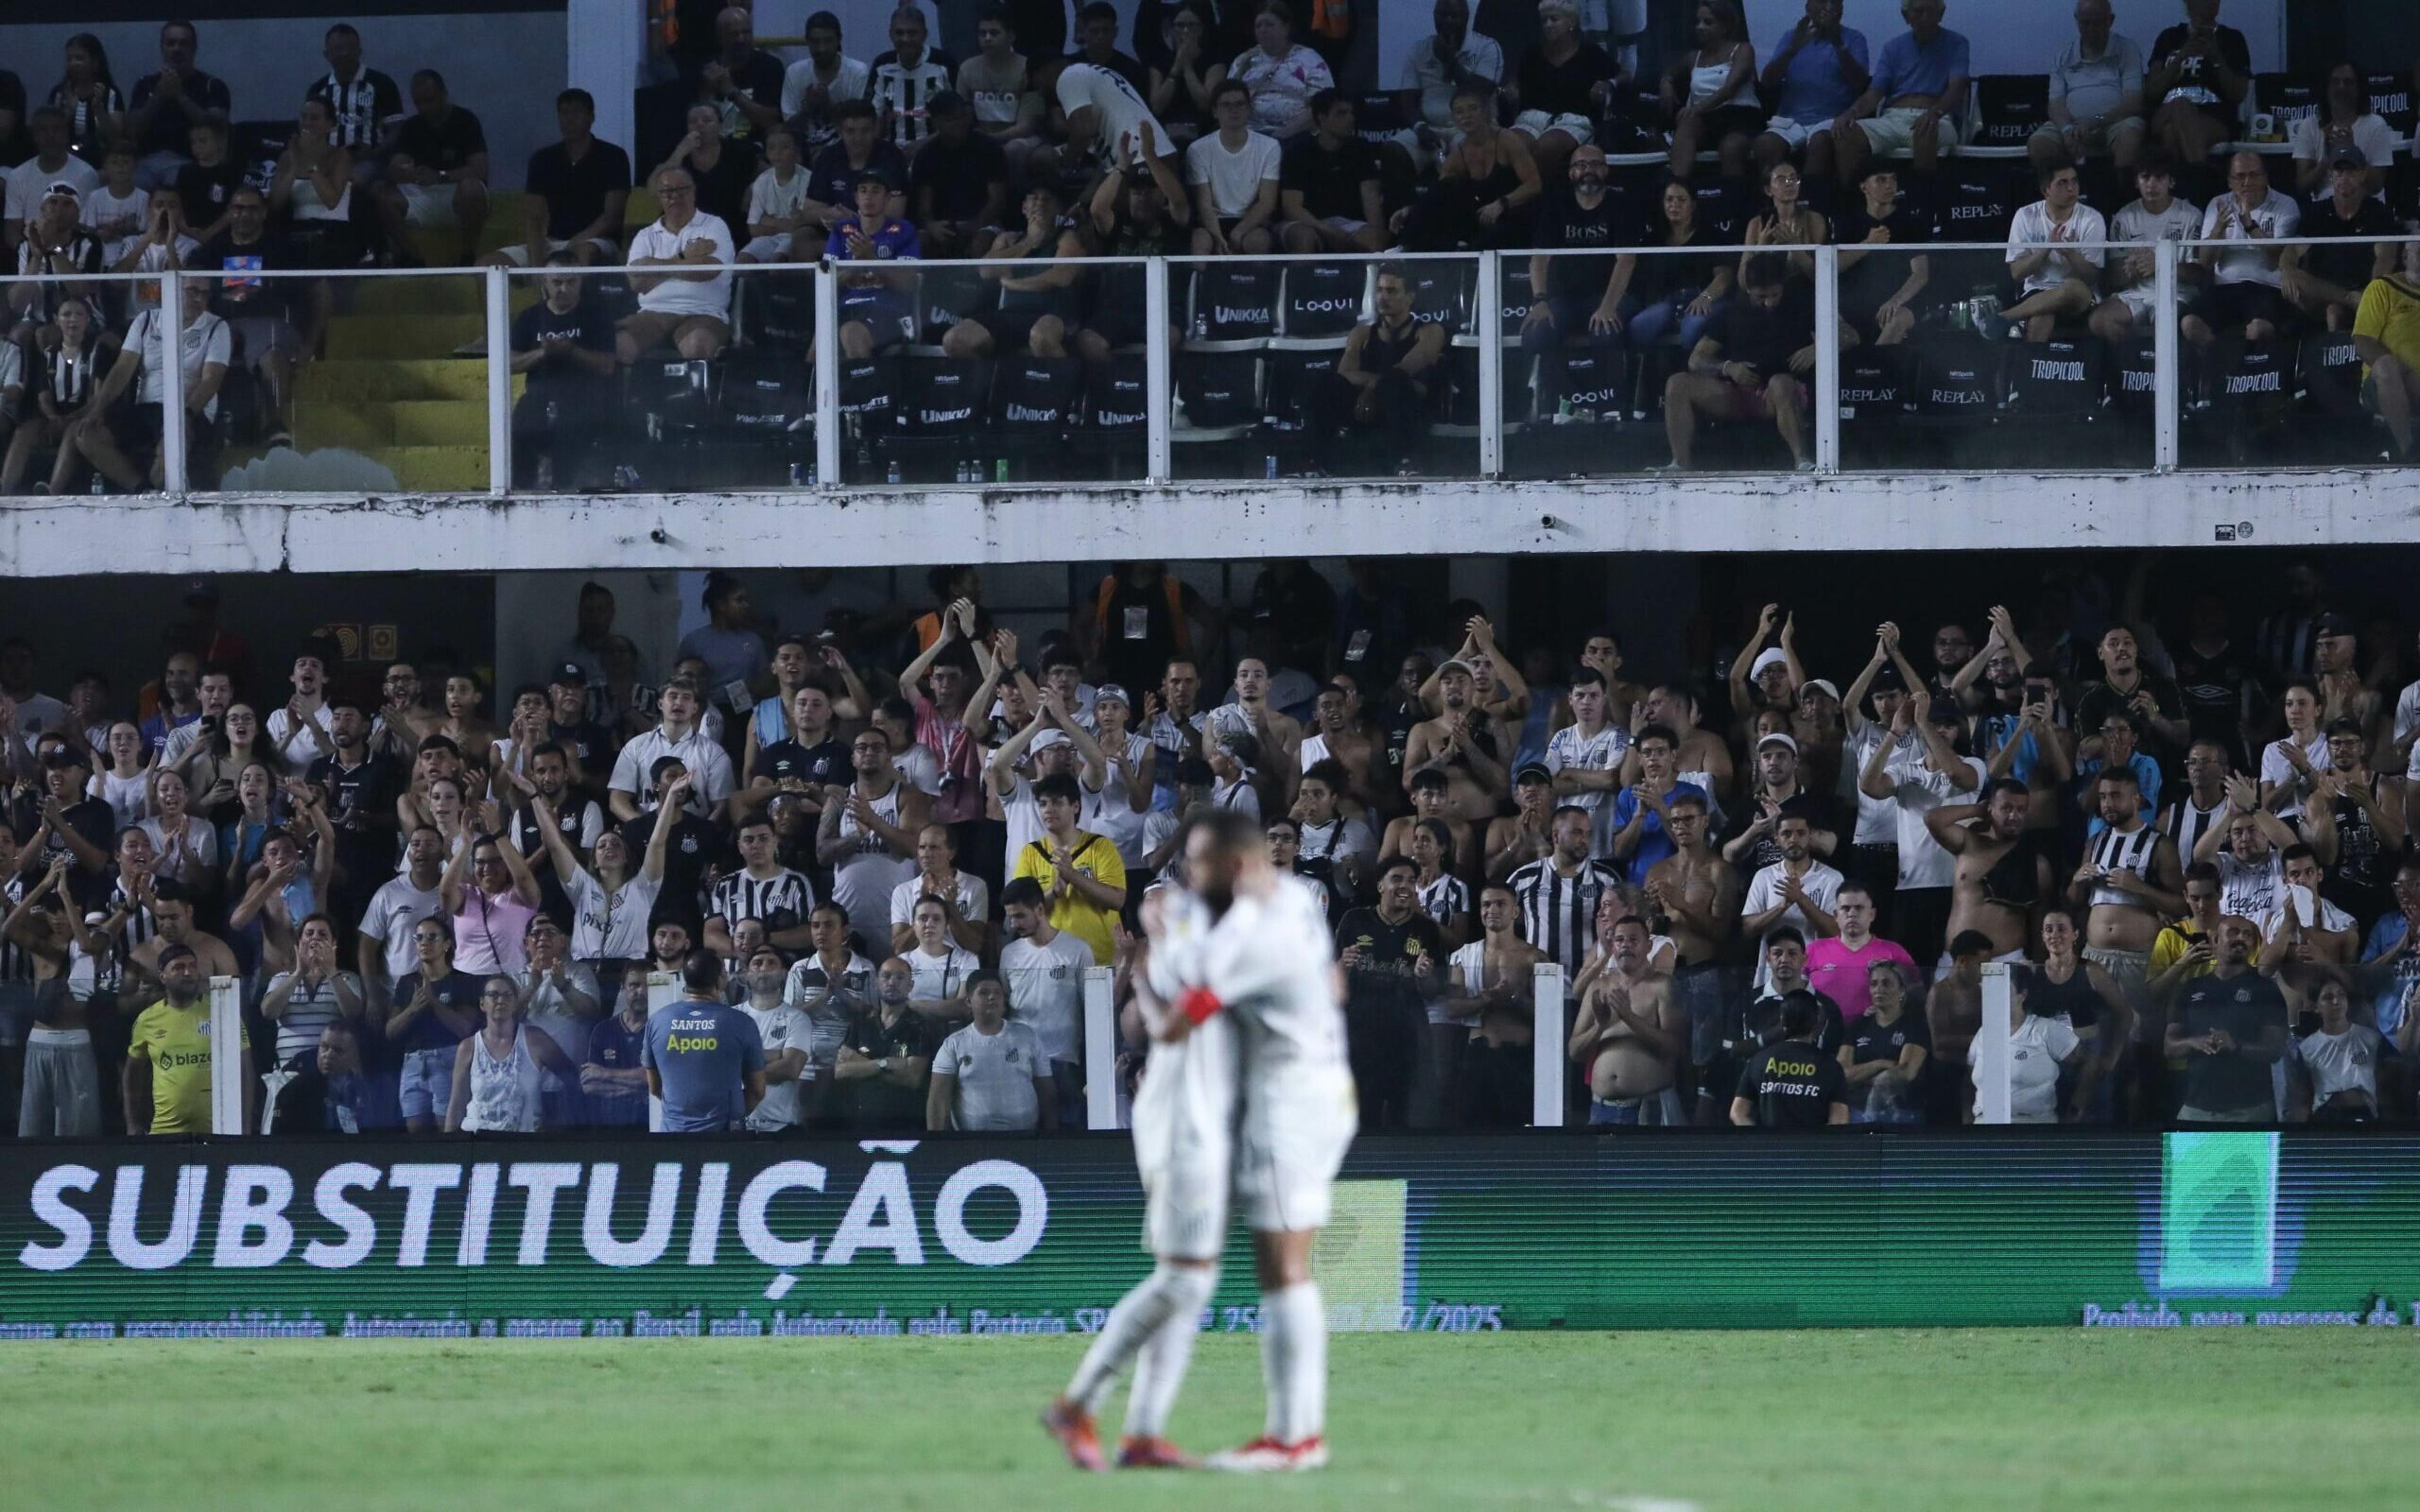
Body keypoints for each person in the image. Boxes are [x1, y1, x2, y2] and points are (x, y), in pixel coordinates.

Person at [1661, 252, 1838, 473]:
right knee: (1677, 384)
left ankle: (1802, 460)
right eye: (1761, 297)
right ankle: (1680, 464)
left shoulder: (1801, 306)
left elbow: (1850, 335)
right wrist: (1728, 368)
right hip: (1736, 393)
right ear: (1748, 291)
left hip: (1781, 395)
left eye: (1774, 295)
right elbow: (1696, 360)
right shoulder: (1731, 313)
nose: (1769, 303)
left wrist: (1817, 348)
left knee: (1780, 383)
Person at [76, 273, 228, 493]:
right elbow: (123, 369)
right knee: (86, 435)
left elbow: (211, 380)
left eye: (204, 294)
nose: (198, 299)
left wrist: (184, 417)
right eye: (192, 291)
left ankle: (162, 496)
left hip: (191, 411)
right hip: (146, 409)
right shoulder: (146, 320)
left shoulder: (216, 327)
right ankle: (143, 490)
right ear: (174, 291)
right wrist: (97, 410)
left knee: (168, 457)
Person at [1321, 264, 1447, 471]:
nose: (1383, 298)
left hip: (1410, 409)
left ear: (1410, 297)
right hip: (1365, 408)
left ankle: (1405, 461)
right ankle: (1319, 463)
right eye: (1379, 290)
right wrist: (1372, 388)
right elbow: (1344, 373)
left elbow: (1406, 369)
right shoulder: (1361, 333)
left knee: (1396, 382)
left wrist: (1371, 388)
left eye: (1391, 291)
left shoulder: (1430, 331)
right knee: (1327, 382)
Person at [1829, 0, 1969, 186]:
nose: (1925, 18)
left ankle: (1923, 205)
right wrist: (1851, 113)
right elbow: (1874, 94)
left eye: (1931, 11)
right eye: (1918, 12)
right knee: (1845, 133)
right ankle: (1853, 202)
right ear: (1906, 16)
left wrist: (1935, 113)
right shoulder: (1892, 48)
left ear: (1941, 14)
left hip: (1936, 118)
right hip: (1893, 118)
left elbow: (1957, 87)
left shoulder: (1957, 43)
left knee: (1925, 130)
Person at [1519, 144, 1635, 367]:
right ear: (1571, 173)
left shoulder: (1622, 205)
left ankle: (1612, 398)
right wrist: (1540, 301)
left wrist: (1608, 306)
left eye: (1595, 164)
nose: (1588, 170)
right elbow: (1539, 258)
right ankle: (1554, 397)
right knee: (1537, 335)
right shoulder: (1555, 206)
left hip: (1611, 297)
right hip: (1564, 298)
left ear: (1606, 170)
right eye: (1581, 165)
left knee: (1607, 334)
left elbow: (1627, 260)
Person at [495, 89, 631, 270]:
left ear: (591, 117)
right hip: (552, 242)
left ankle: (577, 298)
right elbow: (533, 217)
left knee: (583, 253)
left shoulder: (613, 156)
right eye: (564, 112)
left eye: (577, 112)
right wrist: (537, 265)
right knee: (488, 264)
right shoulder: (543, 159)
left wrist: (573, 244)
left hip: (596, 240)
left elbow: (611, 218)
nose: (570, 119)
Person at [2168, 914, 2285, 1122]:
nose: (2241, 938)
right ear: (2215, 940)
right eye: (2233, 932)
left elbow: (2275, 1050)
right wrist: (2195, 1042)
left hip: (2251, 1111)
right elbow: (2169, 1047)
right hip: (2196, 1109)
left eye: (2248, 935)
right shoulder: (2190, 988)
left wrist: (2236, 1046)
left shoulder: (2267, 990)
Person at [1569, 914, 1685, 1123]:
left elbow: (1675, 1048)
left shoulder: (1663, 986)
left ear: (1648, 947)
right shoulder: (1597, 987)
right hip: (1601, 1109)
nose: (1626, 946)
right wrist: (1600, 1027)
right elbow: (1575, 1052)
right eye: (1620, 940)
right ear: (1613, 946)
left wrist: (1629, 1017)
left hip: (1649, 1108)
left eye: (1633, 940)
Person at [123, 942, 250, 1134]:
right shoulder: (147, 1019)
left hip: (218, 1130)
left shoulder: (222, 1011)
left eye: (192, 966)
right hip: (165, 1131)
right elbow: (132, 1075)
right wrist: (132, 1124)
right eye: (179, 968)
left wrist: (244, 1124)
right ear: (162, 976)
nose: (188, 973)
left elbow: (245, 1069)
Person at [617, 166, 734, 365]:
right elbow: (637, 282)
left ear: (694, 192)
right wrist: (684, 257)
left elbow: (707, 270)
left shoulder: (714, 226)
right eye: (667, 191)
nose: (675, 196)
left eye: (682, 190)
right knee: (618, 344)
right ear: (659, 197)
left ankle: (697, 396)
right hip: (652, 314)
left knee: (697, 344)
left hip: (704, 312)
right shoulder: (645, 236)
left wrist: (654, 268)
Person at [2181, 151, 2296, 352]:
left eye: (2254, 175)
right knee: (2190, 324)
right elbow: (2206, 263)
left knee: (2259, 330)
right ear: (2230, 181)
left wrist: (2250, 226)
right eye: (2240, 176)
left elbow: (2277, 256)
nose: (2247, 182)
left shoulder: (2285, 205)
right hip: (2225, 288)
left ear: (2265, 177)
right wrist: (2219, 229)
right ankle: (2221, 361)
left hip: (2267, 289)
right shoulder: (2218, 205)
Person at [1928, 777, 2049, 968]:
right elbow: (1933, 819)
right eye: (2006, 808)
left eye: (2021, 809)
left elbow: (2039, 921)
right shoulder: (1968, 842)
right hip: (1955, 962)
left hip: (2007, 960)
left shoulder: (2035, 862)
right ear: (1990, 808)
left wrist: (2039, 967)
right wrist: (1976, 810)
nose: (2014, 816)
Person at [371, 71, 488, 267]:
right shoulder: (412, 127)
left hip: (456, 193)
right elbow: (396, 166)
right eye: (419, 103)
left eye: (430, 100)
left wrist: (441, 176)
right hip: (422, 193)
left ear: (444, 94)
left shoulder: (465, 121)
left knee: (472, 188)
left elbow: (480, 169)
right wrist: (402, 171)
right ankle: (413, 258)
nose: (425, 108)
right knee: (379, 190)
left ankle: (467, 256)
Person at [644, 949, 766, 1131]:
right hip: (724, 1141)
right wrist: (734, 1116)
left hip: (672, 1138)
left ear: (686, 979)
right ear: (720, 980)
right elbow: (757, 1091)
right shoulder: (742, 1023)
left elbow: (654, 1087)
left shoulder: (658, 1021)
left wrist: (683, 1112)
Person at [2279, 151, 2397, 335]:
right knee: (2296, 278)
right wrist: (2287, 270)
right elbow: (2292, 250)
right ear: (2330, 176)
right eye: (2339, 173)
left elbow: (2386, 257)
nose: (2345, 179)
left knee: (2335, 311)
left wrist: (2371, 294)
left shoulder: (2378, 212)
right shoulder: (2316, 213)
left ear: (2363, 175)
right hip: (2323, 291)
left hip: (2363, 291)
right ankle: (2348, 298)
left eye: (2351, 173)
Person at [2089, 156, 2203, 345]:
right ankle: (2135, 367)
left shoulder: (2191, 215)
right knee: (2099, 321)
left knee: (2164, 323)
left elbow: (2198, 275)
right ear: (2137, 182)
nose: (2152, 184)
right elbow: (2114, 279)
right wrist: (2131, 272)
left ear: (2171, 181)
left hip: (2177, 293)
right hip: (2135, 294)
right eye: (2146, 177)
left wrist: (2160, 265)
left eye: (2159, 178)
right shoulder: (2124, 217)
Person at [2029, 0, 2146, 178]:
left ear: (2110, 21)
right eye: (2085, 23)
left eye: (2097, 23)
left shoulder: (2127, 50)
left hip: (2115, 122)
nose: (2091, 29)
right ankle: (2061, 197)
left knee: (2130, 136)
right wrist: (2067, 130)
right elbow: (2055, 105)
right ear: (2077, 20)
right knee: (2039, 143)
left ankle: (2122, 198)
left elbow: (2133, 103)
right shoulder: (2063, 56)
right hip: (2071, 125)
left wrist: (2095, 121)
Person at [926, 971, 1054, 1132]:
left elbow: (1046, 1091)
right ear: (968, 1001)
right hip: (972, 1144)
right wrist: (939, 1145)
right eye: (984, 993)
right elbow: (938, 1100)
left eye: (997, 993)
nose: (992, 997)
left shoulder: (1028, 1037)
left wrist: (1051, 1134)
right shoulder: (953, 1044)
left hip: (1024, 1139)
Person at [445, 975, 576, 1133]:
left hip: (522, 1144)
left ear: (515, 1003)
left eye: (507, 995)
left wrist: (555, 1126)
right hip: (477, 1144)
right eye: (493, 995)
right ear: (482, 1004)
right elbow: (456, 1106)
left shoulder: (536, 1040)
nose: (500, 1000)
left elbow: (573, 1079)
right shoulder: (468, 1047)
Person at [1754, 0, 1867, 180]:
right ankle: (1775, 202)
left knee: (1820, 142)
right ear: (1808, 8)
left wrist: (1838, 44)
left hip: (1831, 119)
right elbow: (1768, 81)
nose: (1829, 7)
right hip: (1791, 120)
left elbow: (1860, 82)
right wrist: (1793, 49)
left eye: (1836, 3)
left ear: (1841, 11)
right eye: (1822, 2)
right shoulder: (1792, 37)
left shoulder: (1854, 39)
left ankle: (1810, 201)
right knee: (1765, 144)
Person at [2000, 163, 2106, 342]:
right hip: (2038, 291)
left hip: (2080, 296)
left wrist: (2071, 254)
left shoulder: (2092, 219)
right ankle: (2030, 368)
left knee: (2071, 287)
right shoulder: (2025, 216)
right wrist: (2046, 249)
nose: (2071, 188)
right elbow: (2017, 273)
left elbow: (2092, 277)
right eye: (2062, 183)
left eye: (2074, 182)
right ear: (2046, 190)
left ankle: (2004, 318)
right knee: (2042, 317)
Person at [1831, 162, 1928, 346]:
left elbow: (1921, 274)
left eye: (1893, 180)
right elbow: (1835, 266)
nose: (1889, 185)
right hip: (1855, 301)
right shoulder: (1848, 222)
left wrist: (1895, 301)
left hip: (1900, 299)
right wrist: (1869, 244)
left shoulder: (1911, 222)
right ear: (1864, 186)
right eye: (1881, 180)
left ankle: (1877, 368)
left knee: (1898, 318)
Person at [125, 21, 231, 192]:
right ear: (162, 48)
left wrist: (180, 96)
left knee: (180, 185)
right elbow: (132, 131)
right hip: (147, 162)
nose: (177, 49)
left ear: (194, 48)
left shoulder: (212, 86)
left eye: (184, 43)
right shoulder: (145, 85)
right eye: (171, 43)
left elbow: (217, 128)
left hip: (190, 162)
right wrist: (159, 95)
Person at [1659, 0, 1758, 181]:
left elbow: (1730, 88)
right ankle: (1677, 188)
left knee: (1731, 147)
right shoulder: (1693, 57)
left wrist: (1698, 109)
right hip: (1706, 118)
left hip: (1739, 114)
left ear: (1726, 25)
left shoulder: (1742, 50)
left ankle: (1733, 200)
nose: (1700, 27)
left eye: (1708, 22)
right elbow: (1670, 73)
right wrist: (1666, 83)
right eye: (1698, 22)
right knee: (1687, 125)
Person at [2144, 0, 2248, 168]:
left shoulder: (2232, 39)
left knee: (2171, 134)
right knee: (2180, 106)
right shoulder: (2169, 37)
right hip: (2165, 112)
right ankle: (2199, 181)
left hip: (2214, 116)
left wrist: (2216, 58)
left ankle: (2180, 190)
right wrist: (2181, 56)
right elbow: (2152, 91)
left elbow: (2238, 94)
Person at [1277, 91, 1384, 255]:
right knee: (1304, 237)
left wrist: (1378, 235)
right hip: (1307, 221)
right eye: (1341, 113)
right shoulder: (1298, 152)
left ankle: (1370, 280)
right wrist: (1326, 230)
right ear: (1322, 118)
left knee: (1371, 237)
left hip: (1349, 222)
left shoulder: (1361, 149)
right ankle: (1299, 281)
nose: (1350, 119)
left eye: (1351, 113)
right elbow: (1292, 208)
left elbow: (1371, 198)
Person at [1186, 79, 1281, 255]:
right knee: (1200, 241)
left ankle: (1260, 282)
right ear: (1215, 111)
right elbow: (1204, 204)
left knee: (1258, 241)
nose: (1234, 110)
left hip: (1251, 222)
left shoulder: (1270, 146)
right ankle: (1196, 281)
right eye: (1226, 105)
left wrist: (1239, 232)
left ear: (1249, 109)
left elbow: (1267, 202)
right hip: (1213, 221)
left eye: (1240, 104)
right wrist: (1218, 237)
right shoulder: (1198, 149)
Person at [1730, 989, 1848, 1125]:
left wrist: (1762, 1143)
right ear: (1816, 1022)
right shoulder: (1831, 1067)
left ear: (1782, 1021)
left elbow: (1737, 1113)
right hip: (1812, 1146)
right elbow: (1839, 1120)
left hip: (1770, 1145)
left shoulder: (1758, 1061)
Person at [2288, 971, 2387, 1122]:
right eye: (2328, 998)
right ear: (2315, 1006)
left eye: (2341, 995)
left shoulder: (2372, 1039)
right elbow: (2302, 1098)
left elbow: (2386, 1087)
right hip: (2326, 1120)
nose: (2336, 1001)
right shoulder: (2308, 1048)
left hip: (2366, 1118)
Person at [1840, 959, 1928, 1121]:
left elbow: (1905, 1074)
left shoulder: (1914, 1026)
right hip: (1856, 1109)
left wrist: (1861, 1078)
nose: (1879, 989)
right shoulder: (1858, 1026)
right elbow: (1841, 1073)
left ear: (1902, 991)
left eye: (1886, 984)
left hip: (1902, 1112)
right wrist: (1880, 1064)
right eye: (1874, 984)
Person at [1230, 2, 1332, 142]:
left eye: (1269, 25)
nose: (1263, 30)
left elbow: (1323, 106)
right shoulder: (1243, 61)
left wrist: (1285, 133)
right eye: (1258, 26)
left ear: (1286, 28)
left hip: (1295, 136)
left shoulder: (1310, 59)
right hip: (1249, 137)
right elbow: (1227, 99)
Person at [2353, 253, 2420, 463]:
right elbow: (2363, 342)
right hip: (2388, 384)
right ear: (2406, 257)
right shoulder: (2382, 288)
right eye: (2419, 250)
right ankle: (2409, 451)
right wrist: (2406, 373)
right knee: (2386, 365)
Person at [781, 10, 873, 155]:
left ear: (839, 40)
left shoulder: (857, 72)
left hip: (847, 152)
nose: (821, 48)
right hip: (802, 152)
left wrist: (828, 104)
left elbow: (860, 128)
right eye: (815, 42)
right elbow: (789, 127)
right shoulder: (795, 72)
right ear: (807, 41)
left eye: (828, 41)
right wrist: (808, 109)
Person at [306, 23, 401, 161]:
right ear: (327, 55)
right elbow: (308, 130)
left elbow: (396, 129)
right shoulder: (318, 90)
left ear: (360, 51)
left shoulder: (382, 84)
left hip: (371, 160)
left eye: (350, 48)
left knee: (359, 179)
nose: (345, 53)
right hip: (326, 161)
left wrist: (376, 153)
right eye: (338, 49)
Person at [868, 4, 954, 158]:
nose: (906, 39)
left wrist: (926, 144)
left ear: (925, 34)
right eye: (899, 33)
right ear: (890, 34)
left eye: (913, 33)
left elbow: (957, 119)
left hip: (938, 150)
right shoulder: (882, 65)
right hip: (890, 153)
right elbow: (873, 116)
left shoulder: (944, 63)